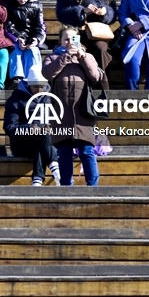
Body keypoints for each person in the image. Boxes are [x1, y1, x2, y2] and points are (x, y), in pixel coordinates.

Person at [43, 26, 103, 186]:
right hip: (61, 114)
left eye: (73, 39)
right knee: (64, 153)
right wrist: (66, 56)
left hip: (83, 113)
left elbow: (96, 76)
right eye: (66, 39)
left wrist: (82, 57)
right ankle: (66, 187)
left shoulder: (87, 56)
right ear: (60, 41)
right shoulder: (53, 57)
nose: (70, 42)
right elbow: (47, 74)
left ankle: (93, 187)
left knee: (86, 151)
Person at [55, 0, 117, 84]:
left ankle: (102, 87)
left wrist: (105, 13)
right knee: (76, 50)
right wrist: (82, 11)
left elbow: (114, 12)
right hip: (77, 33)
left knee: (101, 49)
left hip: (97, 34)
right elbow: (61, 12)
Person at [3, 62, 60, 186]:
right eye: (36, 87)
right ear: (29, 84)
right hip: (21, 144)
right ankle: (55, 168)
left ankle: (37, 181)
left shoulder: (49, 98)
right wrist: (29, 128)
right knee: (42, 136)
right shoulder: (16, 100)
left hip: (44, 143)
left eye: (42, 87)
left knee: (41, 141)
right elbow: (9, 127)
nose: (39, 90)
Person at [3, 0, 46, 84]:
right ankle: (17, 78)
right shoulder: (8, 4)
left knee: (33, 51)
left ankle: (34, 79)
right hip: (14, 38)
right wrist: (18, 39)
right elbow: (8, 26)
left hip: (30, 38)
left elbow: (40, 27)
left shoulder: (36, 6)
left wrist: (36, 39)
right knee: (16, 50)